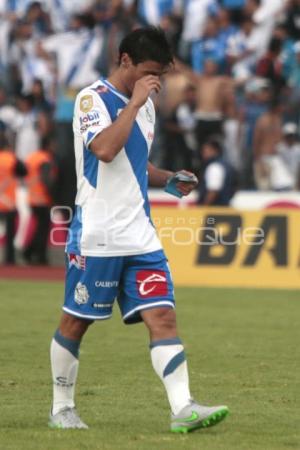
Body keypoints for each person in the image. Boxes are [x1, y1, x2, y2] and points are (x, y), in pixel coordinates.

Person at [48, 26, 229, 432]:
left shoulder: (143, 102)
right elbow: (105, 150)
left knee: (163, 316)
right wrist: (133, 103)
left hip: (140, 233)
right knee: (76, 322)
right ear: (125, 59)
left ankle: (183, 408)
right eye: (151, 71)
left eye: (161, 74)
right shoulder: (92, 99)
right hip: (97, 233)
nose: (156, 81)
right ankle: (61, 407)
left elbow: (134, 163)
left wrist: (167, 178)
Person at [23, 136, 57, 264]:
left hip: (31, 197)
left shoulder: (32, 157)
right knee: (42, 229)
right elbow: (46, 180)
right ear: (48, 145)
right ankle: (38, 255)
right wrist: (54, 196)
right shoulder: (45, 159)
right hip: (42, 198)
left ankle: (29, 252)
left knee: (39, 228)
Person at [0, 134, 27, 264]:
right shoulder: (12, 159)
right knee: (10, 233)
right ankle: (9, 259)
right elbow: (23, 171)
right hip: (9, 203)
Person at [197, 138, 237, 205]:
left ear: (215, 150)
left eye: (205, 151)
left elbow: (213, 191)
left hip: (214, 210)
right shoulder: (225, 165)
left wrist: (203, 209)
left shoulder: (214, 167)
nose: (203, 154)